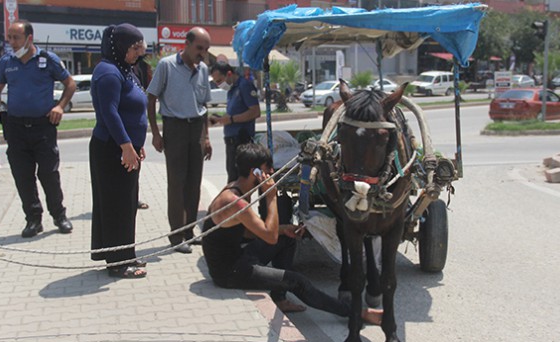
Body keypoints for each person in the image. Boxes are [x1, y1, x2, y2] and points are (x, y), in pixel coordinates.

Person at [201, 143, 383, 322]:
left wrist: (282, 229)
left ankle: (279, 298)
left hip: (238, 256)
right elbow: (270, 238)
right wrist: (272, 196)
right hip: (229, 272)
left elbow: (248, 232)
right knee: (297, 282)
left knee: (287, 238)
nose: (271, 172)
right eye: (267, 169)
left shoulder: (239, 189)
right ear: (254, 172)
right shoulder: (235, 202)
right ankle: (355, 313)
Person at [0, 20, 76, 238]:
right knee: (23, 176)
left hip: (43, 127)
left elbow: (70, 84)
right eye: (9, 37)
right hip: (16, 127)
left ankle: (59, 215)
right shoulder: (6, 62)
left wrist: (60, 106)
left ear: (29, 38)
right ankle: (33, 220)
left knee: (48, 173)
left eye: (16, 37)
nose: (11, 42)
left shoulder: (47, 60)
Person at [88, 23, 148, 279]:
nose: (138, 53)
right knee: (115, 205)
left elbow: (133, 110)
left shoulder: (127, 70)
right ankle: (117, 263)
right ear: (120, 46)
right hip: (112, 149)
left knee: (126, 204)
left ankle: (125, 254)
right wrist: (126, 145)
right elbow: (109, 113)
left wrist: (137, 144)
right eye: (134, 48)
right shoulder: (108, 73)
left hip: (126, 148)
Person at [146, 27, 213, 254]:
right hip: (174, 127)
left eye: (206, 49)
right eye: (199, 48)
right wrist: (155, 132)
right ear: (187, 43)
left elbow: (204, 107)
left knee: (194, 183)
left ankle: (189, 232)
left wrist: (206, 138)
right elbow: (151, 97)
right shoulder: (167, 65)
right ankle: (176, 236)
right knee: (177, 183)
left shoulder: (203, 69)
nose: (202, 53)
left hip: (196, 129)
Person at [209, 62, 261, 182]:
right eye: (216, 82)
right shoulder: (232, 90)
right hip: (231, 142)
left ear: (229, 74)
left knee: (239, 182)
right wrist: (220, 119)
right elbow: (234, 112)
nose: (218, 85)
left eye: (219, 81)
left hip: (241, 141)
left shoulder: (244, 86)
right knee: (233, 179)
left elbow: (255, 111)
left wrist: (232, 119)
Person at [132, 57, 153, 211]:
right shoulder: (114, 71)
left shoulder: (137, 69)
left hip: (135, 136)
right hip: (121, 136)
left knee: (135, 170)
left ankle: (133, 197)